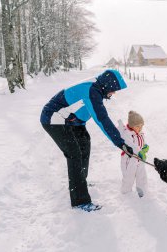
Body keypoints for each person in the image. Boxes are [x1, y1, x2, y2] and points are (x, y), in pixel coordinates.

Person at [40, 69, 134, 212]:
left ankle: (80, 181)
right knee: (74, 154)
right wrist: (120, 142)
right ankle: (80, 200)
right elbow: (101, 119)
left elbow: (84, 109)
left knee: (84, 143)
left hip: (71, 122)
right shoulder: (92, 90)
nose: (114, 93)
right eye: (113, 90)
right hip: (54, 119)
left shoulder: (97, 87)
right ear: (107, 85)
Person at [118, 111, 149, 198]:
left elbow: (141, 142)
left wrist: (145, 146)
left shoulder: (140, 133)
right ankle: (126, 193)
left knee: (141, 175)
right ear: (131, 125)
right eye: (138, 126)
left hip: (140, 159)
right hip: (129, 159)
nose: (140, 128)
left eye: (141, 126)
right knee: (129, 177)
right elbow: (131, 145)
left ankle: (142, 191)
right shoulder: (127, 134)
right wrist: (139, 151)